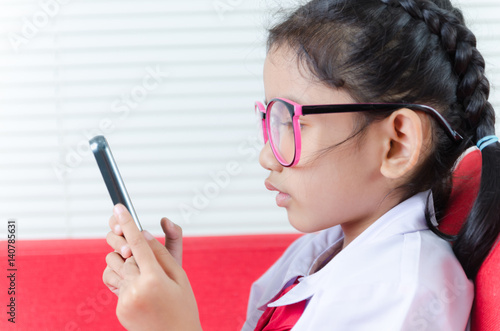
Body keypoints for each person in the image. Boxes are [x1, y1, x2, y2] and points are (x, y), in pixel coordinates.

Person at [102, 0, 500, 330]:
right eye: (268, 122)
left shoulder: (403, 291)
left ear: (397, 144)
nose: (266, 155)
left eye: (291, 122)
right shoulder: (319, 250)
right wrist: (167, 300)